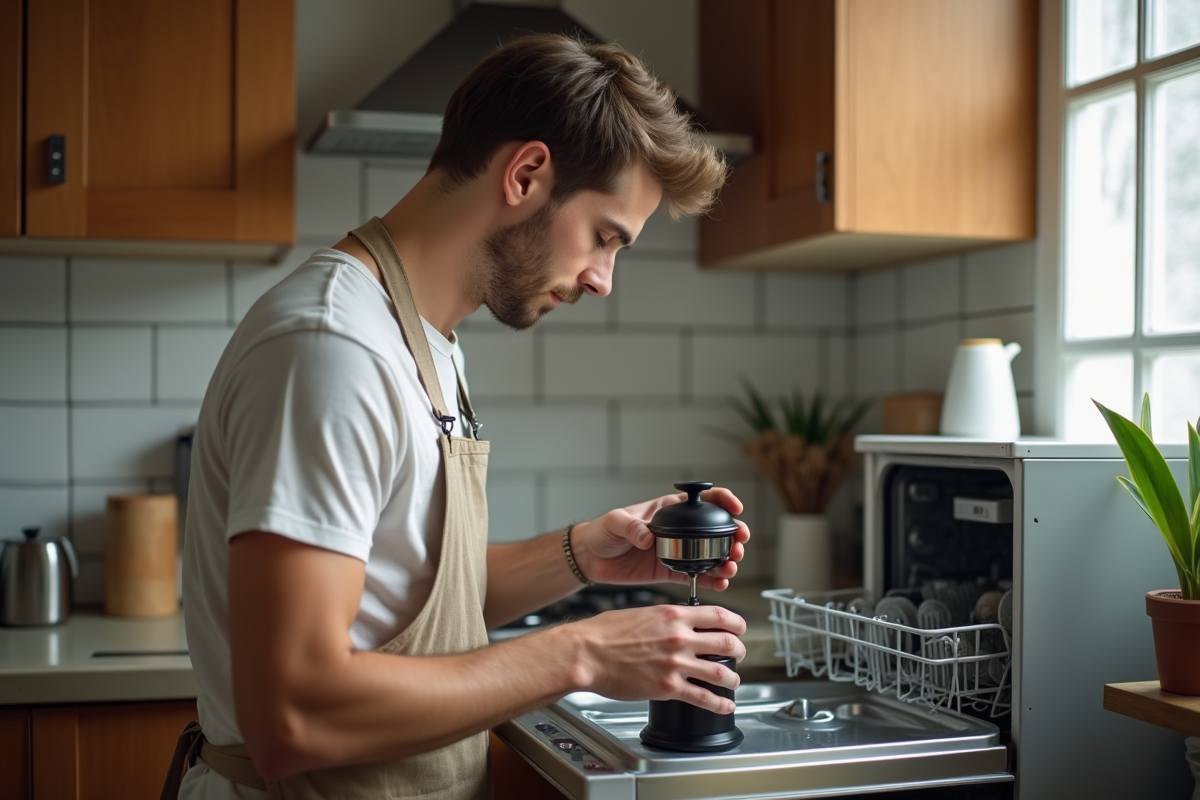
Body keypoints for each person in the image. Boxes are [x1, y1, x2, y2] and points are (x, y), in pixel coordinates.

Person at [169, 32, 748, 800]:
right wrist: (580, 654)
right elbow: (293, 715)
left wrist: (583, 554)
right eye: (605, 238)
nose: (604, 279)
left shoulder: (427, 345)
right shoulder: (335, 349)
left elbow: (408, 597)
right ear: (527, 174)